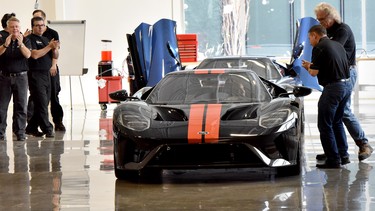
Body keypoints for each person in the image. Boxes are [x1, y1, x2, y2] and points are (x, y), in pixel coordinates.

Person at [314, 2, 373, 161]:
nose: (320, 23)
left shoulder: (342, 30)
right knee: (336, 115)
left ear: (331, 16)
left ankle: (363, 143)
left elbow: (333, 51)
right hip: (337, 74)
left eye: (322, 19)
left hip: (347, 73)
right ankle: (337, 151)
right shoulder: (327, 31)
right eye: (318, 20)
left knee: (343, 111)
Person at [302, 25, 352, 168]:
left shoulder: (318, 48)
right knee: (336, 121)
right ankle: (343, 155)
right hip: (346, 86)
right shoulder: (336, 44)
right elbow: (330, 64)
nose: (309, 41)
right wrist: (312, 65)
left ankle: (333, 159)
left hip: (333, 88)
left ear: (315, 35)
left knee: (325, 124)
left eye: (309, 38)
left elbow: (313, 73)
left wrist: (307, 67)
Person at [26, 9, 66, 132]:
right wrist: (49, 46)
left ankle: (57, 122)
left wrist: (53, 65)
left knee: (52, 96)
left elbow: (55, 54)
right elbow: (33, 54)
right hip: (36, 72)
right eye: (36, 23)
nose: (39, 26)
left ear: (44, 21)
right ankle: (43, 126)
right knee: (38, 100)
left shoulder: (52, 34)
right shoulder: (30, 37)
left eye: (41, 23)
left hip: (51, 70)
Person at [0, 17, 31, 141]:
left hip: (21, 78)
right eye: (12, 27)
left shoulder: (26, 40)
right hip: (4, 77)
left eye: (17, 27)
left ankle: (20, 132)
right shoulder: (2, 39)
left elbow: (28, 55)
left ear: (20, 28)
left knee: (21, 106)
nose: (15, 29)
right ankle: (1, 133)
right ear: (7, 28)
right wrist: (6, 44)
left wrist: (21, 44)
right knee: (1, 107)